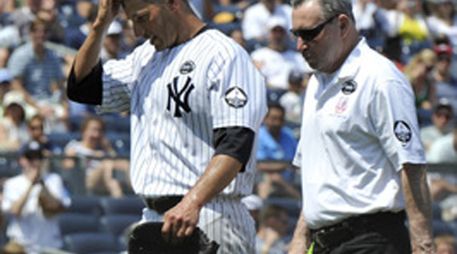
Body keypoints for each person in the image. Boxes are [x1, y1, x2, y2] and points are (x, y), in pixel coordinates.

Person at [66, 0, 267, 253]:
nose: (138, 32)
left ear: (173, 3)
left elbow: (236, 145)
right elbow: (81, 87)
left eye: (142, 18)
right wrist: (100, 24)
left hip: (210, 213)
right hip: (153, 219)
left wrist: (193, 201)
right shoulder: (145, 57)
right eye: (131, 21)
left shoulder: (224, 54)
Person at [288, 0, 434, 253]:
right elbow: (321, 173)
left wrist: (423, 245)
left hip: (371, 240)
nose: (300, 45)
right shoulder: (316, 83)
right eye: (296, 34)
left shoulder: (380, 78)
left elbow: (411, 165)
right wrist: (300, 238)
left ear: (342, 25)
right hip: (324, 242)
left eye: (310, 34)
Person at [1, 141, 71, 254]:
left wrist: (42, 183)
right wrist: (31, 185)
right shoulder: (12, 183)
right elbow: (15, 210)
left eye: (39, 157)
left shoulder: (54, 180)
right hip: (21, 247)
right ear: (21, 160)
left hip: (49, 245)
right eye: (30, 158)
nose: (35, 162)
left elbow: (56, 208)